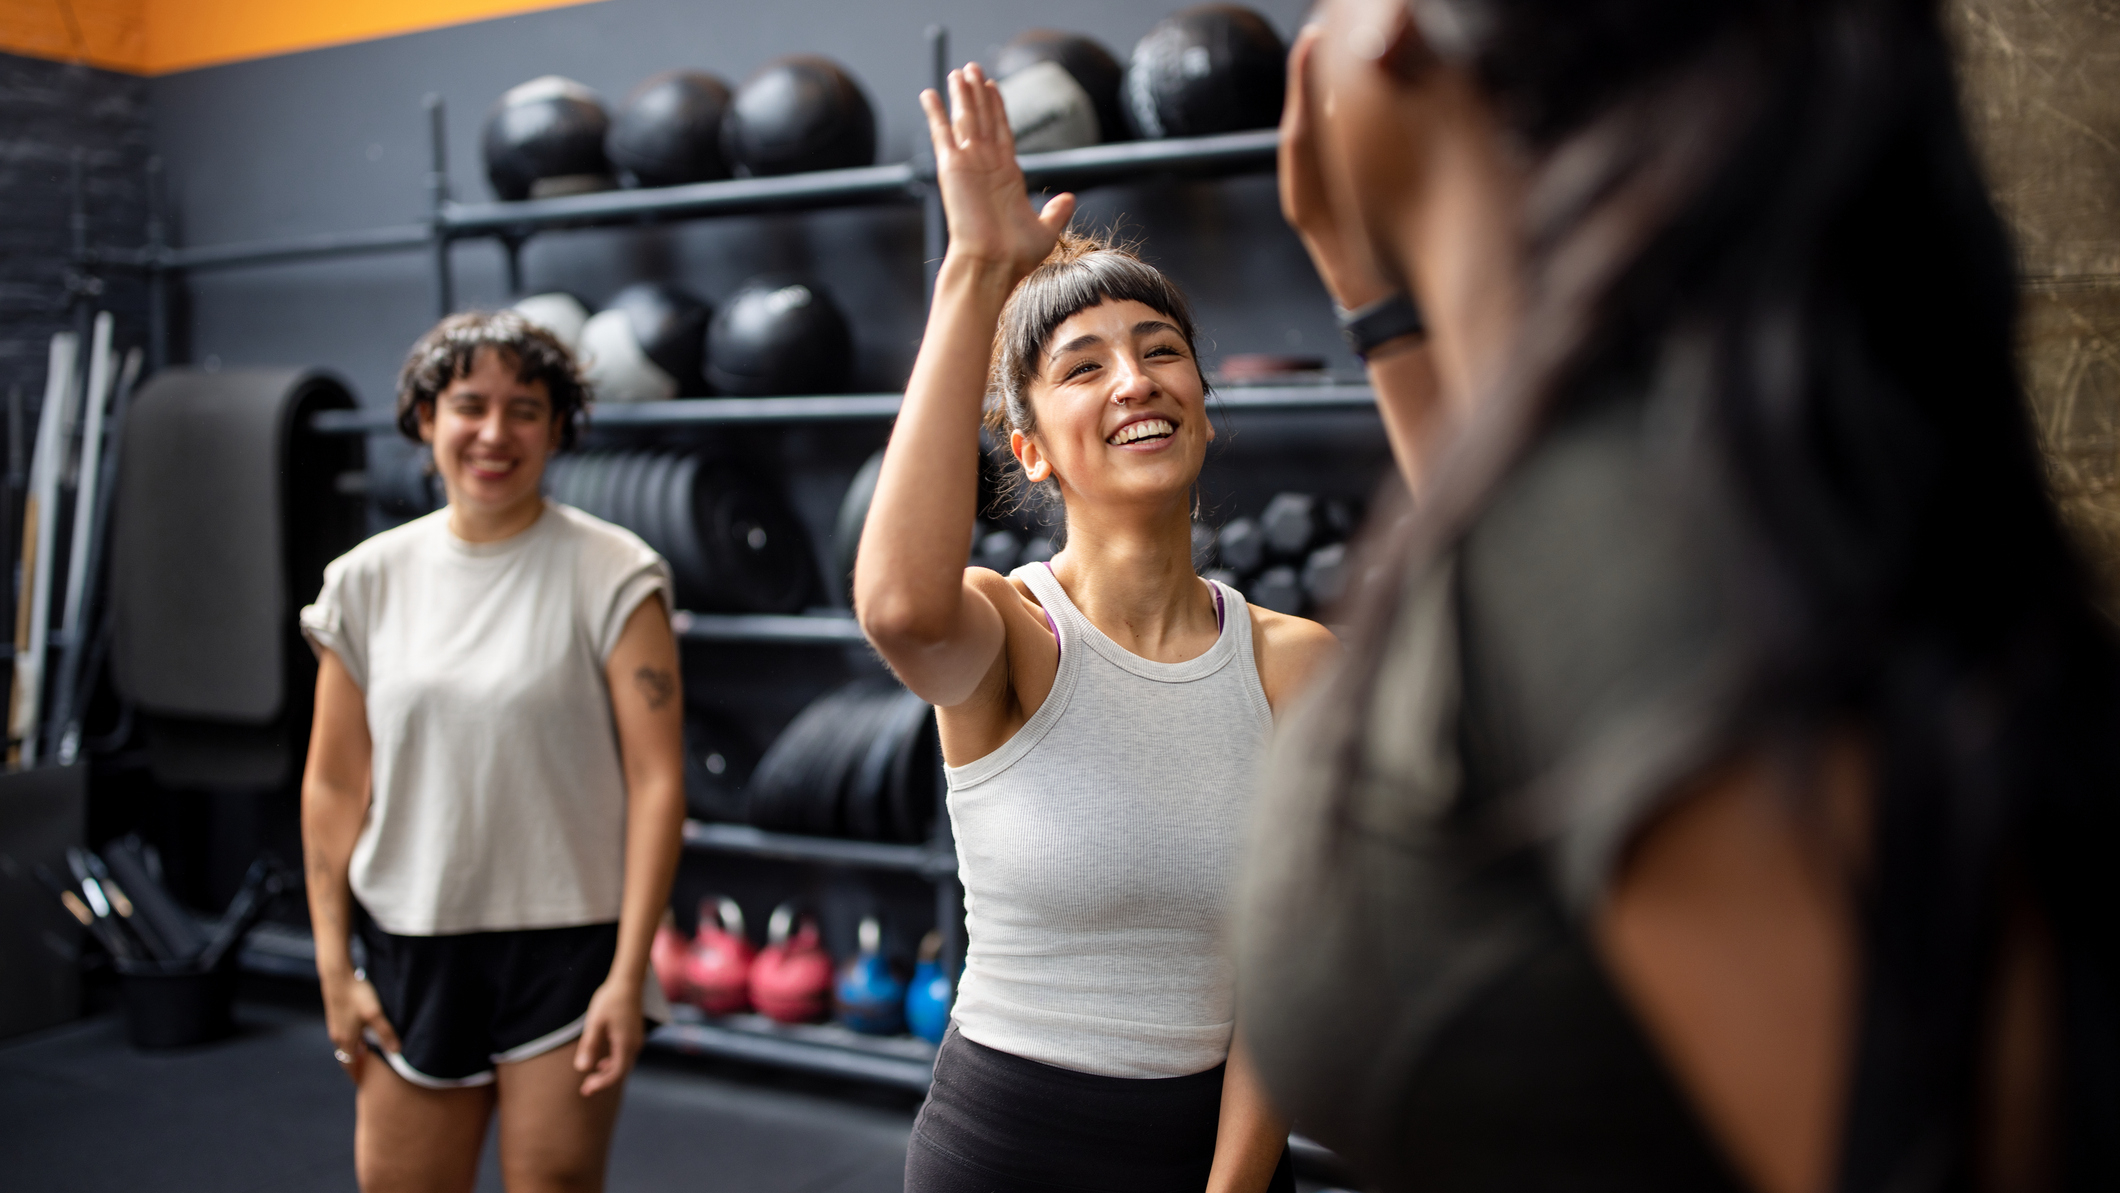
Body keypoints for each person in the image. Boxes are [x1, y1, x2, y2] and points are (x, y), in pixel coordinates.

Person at [1235, 2, 2120, 1192]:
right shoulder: (1655, 459)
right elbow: (1513, 541)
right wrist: (1382, 300)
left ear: (1399, 34)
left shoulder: (1628, 522)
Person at [855, 64, 1339, 1193]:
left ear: (1203, 414)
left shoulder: (1295, 664)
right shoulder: (1013, 634)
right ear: (1026, 452)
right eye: (1083, 365)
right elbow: (895, 606)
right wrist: (974, 270)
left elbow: (1287, 959)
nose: (1134, 378)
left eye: (1160, 349)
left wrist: (1231, 1182)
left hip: (1220, 1147)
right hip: (1010, 1144)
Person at [300, 311, 687, 1193]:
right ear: (426, 419)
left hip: (569, 946)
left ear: (557, 428)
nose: (494, 432)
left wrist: (630, 975)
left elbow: (658, 781)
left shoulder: (615, 572)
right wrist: (332, 964)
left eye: (525, 409)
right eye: (468, 405)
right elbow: (332, 784)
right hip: (412, 938)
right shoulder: (364, 582)